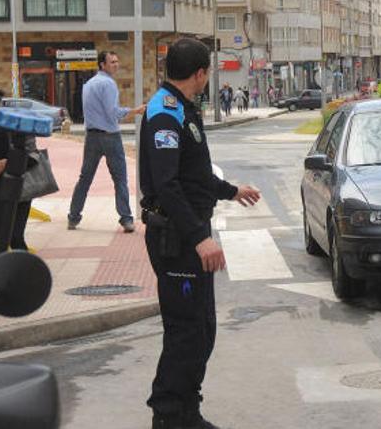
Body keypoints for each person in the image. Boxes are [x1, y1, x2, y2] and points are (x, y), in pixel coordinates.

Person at [140, 38, 260, 429]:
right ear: (200, 74)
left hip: (187, 233)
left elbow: (193, 174)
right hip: (176, 239)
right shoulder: (165, 112)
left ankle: (186, 410)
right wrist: (199, 237)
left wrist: (231, 191)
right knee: (186, 332)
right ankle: (170, 416)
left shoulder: (183, 109)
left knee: (202, 329)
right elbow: (167, 184)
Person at [67, 51, 146, 233]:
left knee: (84, 179)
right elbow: (113, 112)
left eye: (117, 61)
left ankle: (73, 217)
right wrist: (136, 110)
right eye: (112, 62)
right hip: (110, 136)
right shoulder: (108, 84)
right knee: (120, 180)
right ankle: (126, 219)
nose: (116, 65)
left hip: (91, 137)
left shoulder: (88, 84)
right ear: (102, 65)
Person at [0, 83, 40, 256]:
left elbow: (32, 156)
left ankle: (26, 277)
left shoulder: (16, 123)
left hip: (17, 191)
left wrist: (5, 162)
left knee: (14, 237)